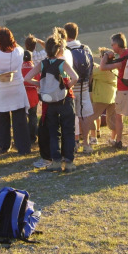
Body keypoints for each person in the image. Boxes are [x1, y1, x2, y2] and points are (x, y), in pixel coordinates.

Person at [24, 34, 79, 172]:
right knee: (68, 130)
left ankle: (55, 161)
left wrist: (41, 85)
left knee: (54, 132)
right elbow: (75, 77)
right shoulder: (62, 63)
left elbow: (27, 78)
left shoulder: (42, 64)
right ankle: (69, 162)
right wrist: (66, 87)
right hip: (65, 100)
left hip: (50, 102)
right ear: (59, 49)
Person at [0, 27, 31, 154]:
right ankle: (23, 147)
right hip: (17, 88)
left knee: (2, 120)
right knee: (20, 121)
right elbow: (18, 47)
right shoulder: (18, 52)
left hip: (1, 89)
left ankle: (4, 146)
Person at [64, 22, 95, 153]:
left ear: (65, 34)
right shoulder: (85, 48)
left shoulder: (64, 49)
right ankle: (86, 143)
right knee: (84, 115)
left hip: (70, 86)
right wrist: (88, 84)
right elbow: (91, 69)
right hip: (84, 86)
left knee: (72, 116)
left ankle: (75, 142)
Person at [87, 47, 118, 145]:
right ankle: (113, 139)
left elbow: (90, 74)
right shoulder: (115, 69)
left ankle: (93, 138)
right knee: (112, 119)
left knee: (91, 117)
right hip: (113, 97)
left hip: (101, 97)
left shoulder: (100, 71)